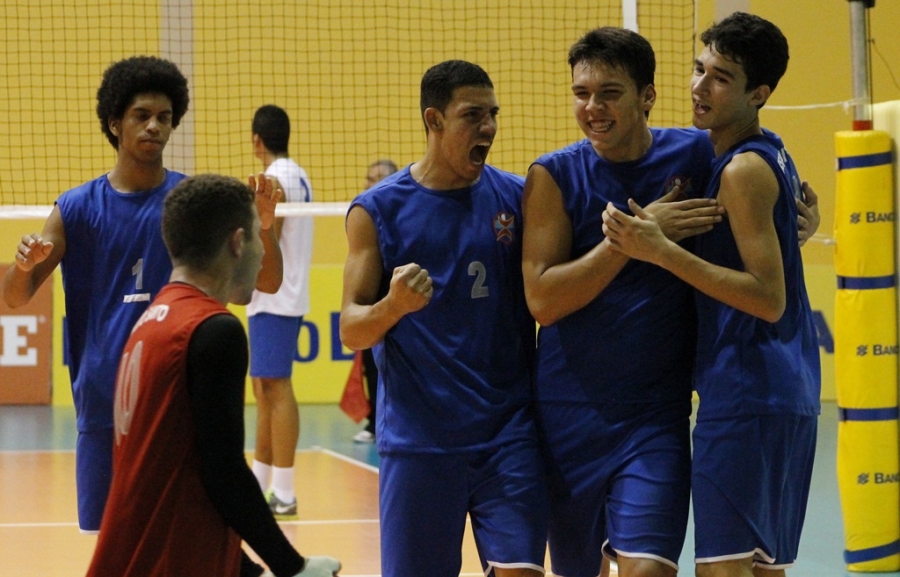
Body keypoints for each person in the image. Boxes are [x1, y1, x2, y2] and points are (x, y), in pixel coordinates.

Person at [521, 28, 819, 577]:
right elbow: (542, 300)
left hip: (662, 415)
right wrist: (630, 240)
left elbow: (756, 189)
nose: (593, 108)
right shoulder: (552, 175)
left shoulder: (700, 154)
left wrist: (796, 222)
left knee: (655, 570)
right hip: (568, 413)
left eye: (609, 92)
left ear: (647, 97)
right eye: (581, 93)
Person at [0, 55, 283, 534]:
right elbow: (15, 298)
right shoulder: (75, 208)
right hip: (105, 401)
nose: (155, 126)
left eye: (165, 118)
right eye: (141, 116)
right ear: (115, 122)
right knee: (113, 545)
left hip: (180, 401)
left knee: (182, 540)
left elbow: (264, 283)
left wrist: (266, 228)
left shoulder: (191, 202)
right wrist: (22, 266)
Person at [339, 60, 546, 577]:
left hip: (508, 435)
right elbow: (350, 329)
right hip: (421, 443)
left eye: (493, 114)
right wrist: (393, 307)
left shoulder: (517, 199)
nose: (489, 128)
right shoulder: (377, 211)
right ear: (433, 120)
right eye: (473, 115)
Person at [84, 174, 340, 577]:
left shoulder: (150, 323)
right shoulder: (213, 330)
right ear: (237, 243)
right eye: (258, 237)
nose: (261, 253)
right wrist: (293, 567)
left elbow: (181, 471)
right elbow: (224, 472)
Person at [247, 104, 314, 520]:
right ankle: (259, 484)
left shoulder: (280, 177)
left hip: (277, 296)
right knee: (263, 389)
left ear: (258, 141)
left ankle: (285, 492)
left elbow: (272, 225)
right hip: (271, 298)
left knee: (277, 385)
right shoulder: (297, 172)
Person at [352, 158, 399, 444]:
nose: (370, 182)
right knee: (369, 361)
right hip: (374, 301)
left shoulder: (402, 210)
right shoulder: (364, 214)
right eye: (368, 177)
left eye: (377, 177)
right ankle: (373, 422)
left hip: (398, 300)